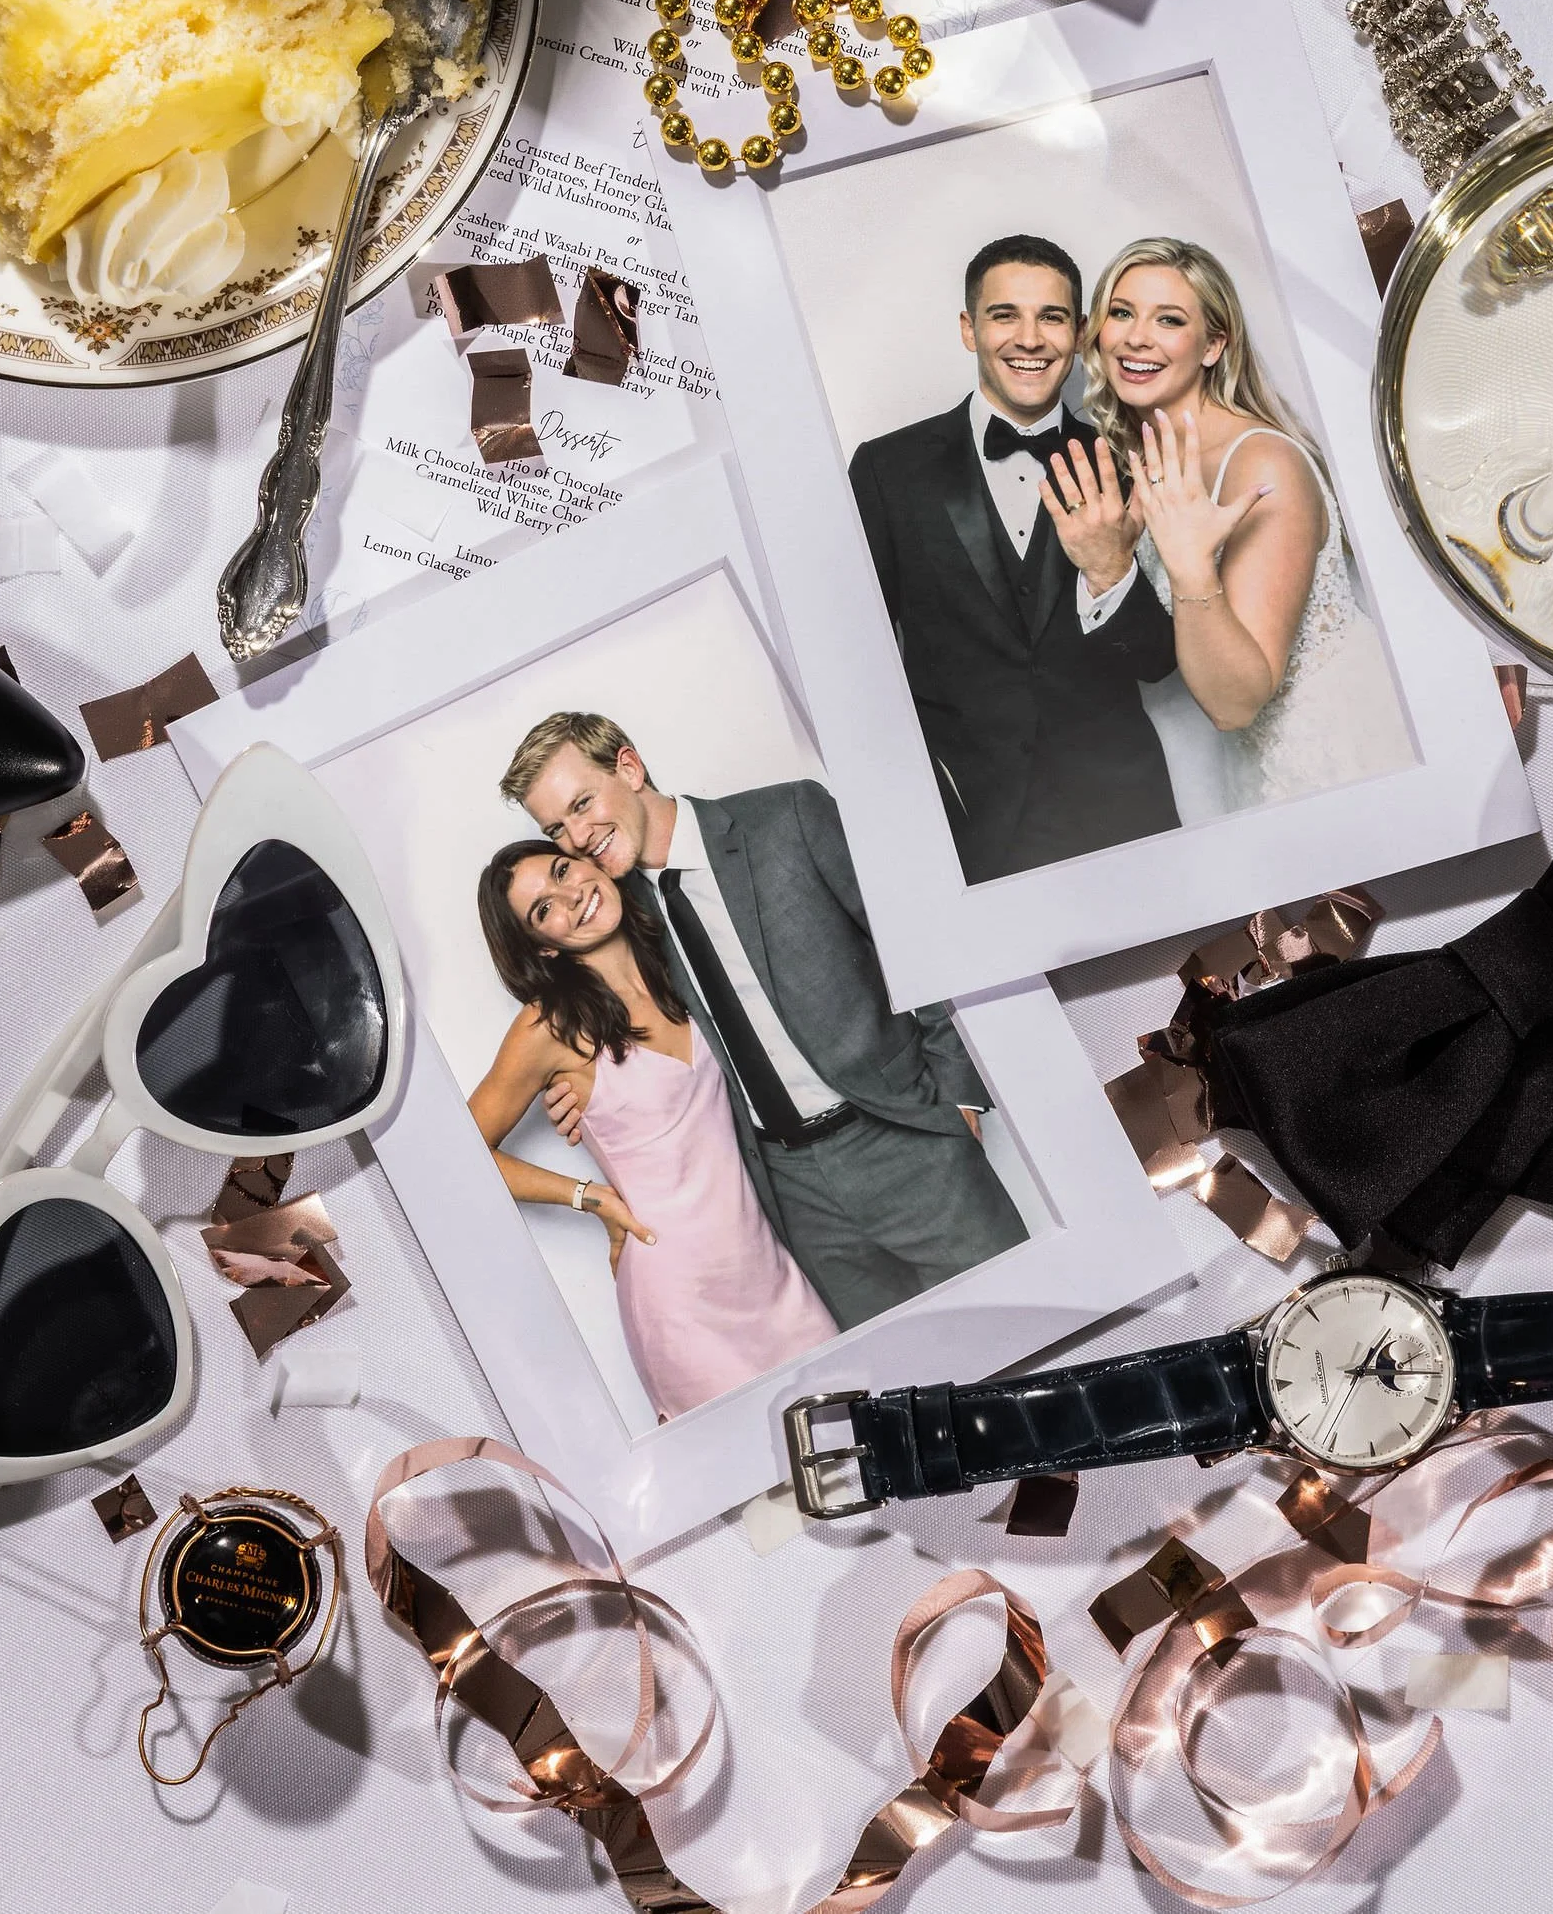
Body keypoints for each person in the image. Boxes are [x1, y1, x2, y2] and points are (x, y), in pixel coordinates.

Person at [502, 711, 1028, 1328]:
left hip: (904, 1138)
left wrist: (959, 1092)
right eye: (556, 828)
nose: (578, 836)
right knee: (902, 1392)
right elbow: (617, 1033)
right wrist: (582, 1093)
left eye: (583, 803)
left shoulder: (788, 819)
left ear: (629, 765)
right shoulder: (616, 916)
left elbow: (915, 942)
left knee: (1028, 1328)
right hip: (788, 1190)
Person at [846, 234, 1180, 881]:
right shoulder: (887, 470)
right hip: (967, 827)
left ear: (1080, 333)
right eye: (1005, 315)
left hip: (1124, 817)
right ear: (970, 329)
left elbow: (1160, 660)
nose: (1029, 338)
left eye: (1051, 317)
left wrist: (1111, 568)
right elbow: (857, 661)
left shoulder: (1130, 460)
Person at [470, 837, 838, 1419]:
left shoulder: (683, 965)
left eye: (564, 870)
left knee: (856, 1452)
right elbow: (459, 1154)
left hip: (772, 1270)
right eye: (544, 909)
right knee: (758, 1487)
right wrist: (589, 1198)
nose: (572, 896)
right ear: (541, 949)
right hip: (677, 1295)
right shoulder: (550, 1026)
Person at [1042, 235, 1406, 809]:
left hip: (1342, 757)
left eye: (1168, 319)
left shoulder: (1263, 463)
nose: (1137, 336)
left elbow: (1237, 702)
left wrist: (1188, 568)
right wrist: (1108, 567)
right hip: (1255, 768)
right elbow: (1164, 657)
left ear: (1213, 345)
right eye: (1122, 312)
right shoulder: (1148, 463)